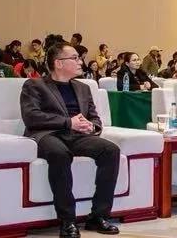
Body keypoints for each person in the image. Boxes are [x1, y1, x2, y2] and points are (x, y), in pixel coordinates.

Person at [19, 42, 121, 237]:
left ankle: (98, 216)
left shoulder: (83, 88)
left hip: (77, 136)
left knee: (110, 150)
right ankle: (67, 220)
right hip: (47, 135)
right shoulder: (34, 85)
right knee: (60, 154)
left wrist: (92, 126)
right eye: (74, 58)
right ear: (58, 63)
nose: (80, 61)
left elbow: (95, 118)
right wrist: (68, 122)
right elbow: (31, 116)